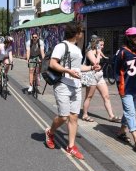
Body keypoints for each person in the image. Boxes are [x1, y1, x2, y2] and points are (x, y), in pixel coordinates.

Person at [44, 22, 99, 160]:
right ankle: (50, 132)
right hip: (63, 84)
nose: (83, 34)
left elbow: (77, 67)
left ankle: (71, 146)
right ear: (77, 33)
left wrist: (92, 67)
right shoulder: (61, 46)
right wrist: (68, 71)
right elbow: (53, 63)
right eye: (82, 32)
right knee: (63, 117)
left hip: (76, 85)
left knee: (74, 117)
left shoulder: (76, 48)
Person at [114, 27, 136, 150]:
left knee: (129, 112)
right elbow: (116, 70)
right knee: (131, 112)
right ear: (128, 38)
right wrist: (119, 84)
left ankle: (121, 131)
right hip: (126, 88)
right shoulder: (122, 52)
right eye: (133, 36)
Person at [81, 37, 121, 122]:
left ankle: (111, 116)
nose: (102, 47)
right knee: (89, 96)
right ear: (95, 44)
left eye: (103, 45)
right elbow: (95, 63)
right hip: (92, 76)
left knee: (106, 96)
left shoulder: (98, 51)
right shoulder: (89, 52)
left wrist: (106, 57)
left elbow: (104, 57)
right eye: (101, 45)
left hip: (99, 76)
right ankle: (85, 115)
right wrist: (99, 53)